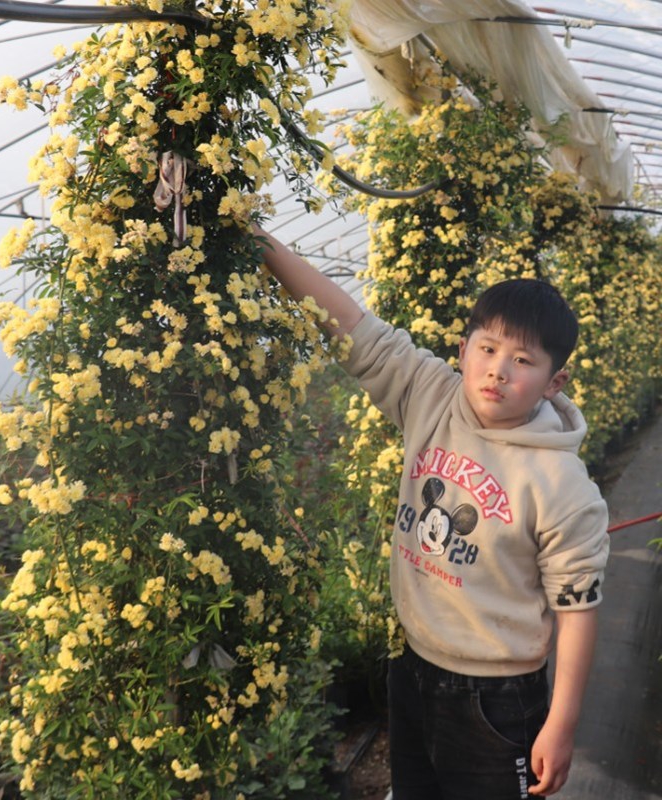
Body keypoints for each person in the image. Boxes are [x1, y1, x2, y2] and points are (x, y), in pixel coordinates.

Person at [253, 225, 610, 800]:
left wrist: (561, 724)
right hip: (413, 667)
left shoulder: (562, 485)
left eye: (523, 360)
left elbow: (578, 612)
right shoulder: (431, 396)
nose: (498, 370)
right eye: (488, 349)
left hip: (497, 696)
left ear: (554, 382)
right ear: (462, 348)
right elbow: (351, 327)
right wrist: (263, 245)